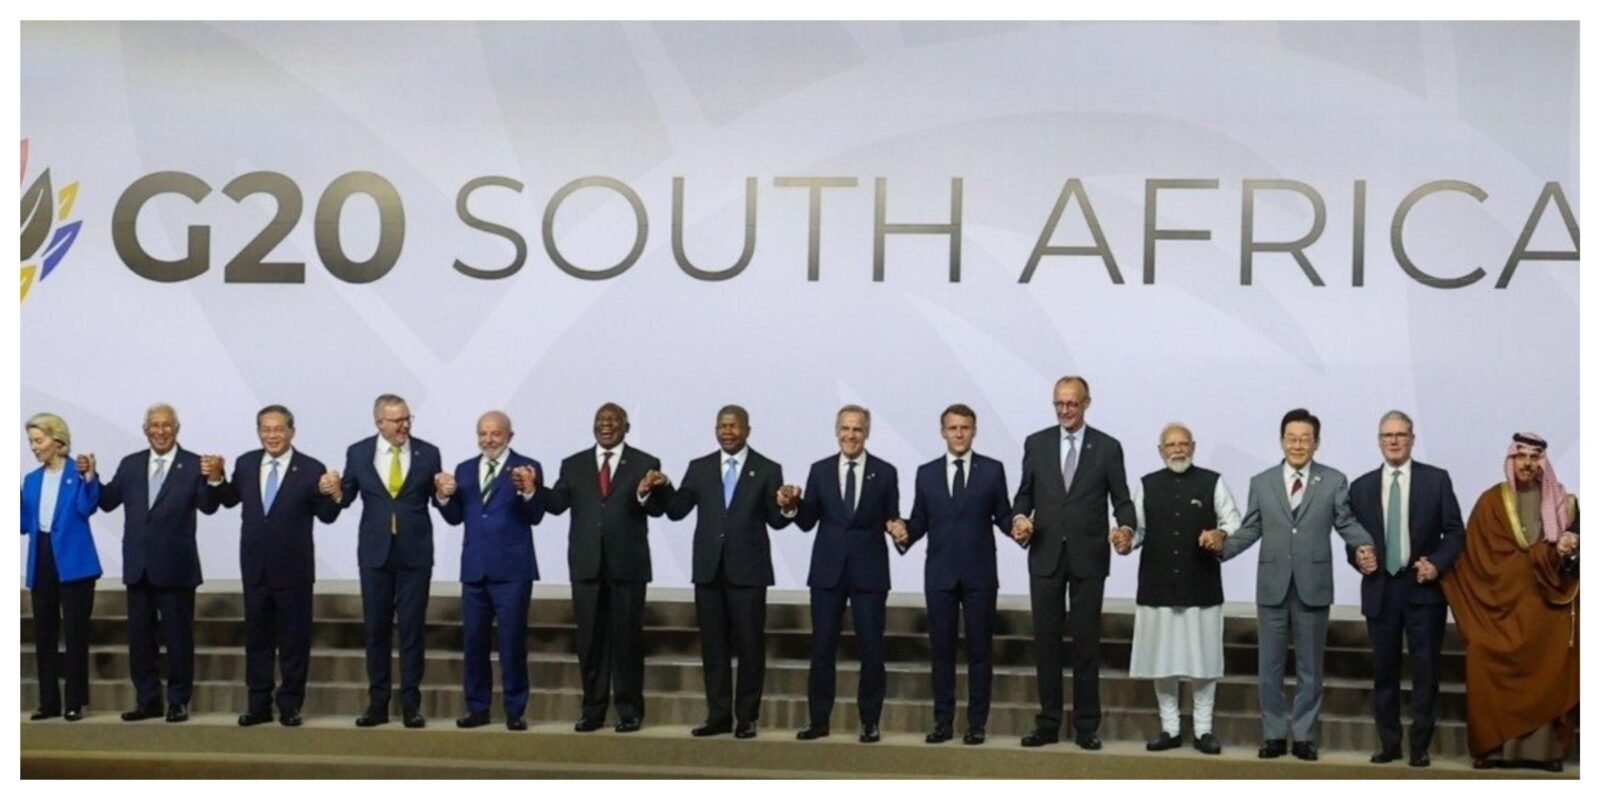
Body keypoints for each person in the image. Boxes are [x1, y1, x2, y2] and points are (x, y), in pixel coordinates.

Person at [1218, 408, 1376, 761]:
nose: (1298, 445)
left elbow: (1345, 522)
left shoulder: (1333, 480)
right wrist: (1220, 550)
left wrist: (1364, 544)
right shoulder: (1262, 482)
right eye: (1292, 438)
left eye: (1305, 439)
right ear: (1281, 441)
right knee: (1269, 668)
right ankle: (1274, 735)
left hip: (1313, 587)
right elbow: (1251, 528)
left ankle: (1304, 736)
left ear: (1316, 443)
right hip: (1272, 587)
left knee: (1310, 668)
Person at [1010, 376, 1135, 750]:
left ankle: (1086, 726)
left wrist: (1126, 528)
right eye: (1059, 404)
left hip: (1088, 558)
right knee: (1046, 644)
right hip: (1045, 555)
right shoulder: (1036, 443)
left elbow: (1122, 500)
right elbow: (1024, 494)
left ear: (1086, 403)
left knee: (1086, 645)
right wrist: (1020, 518)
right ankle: (1048, 723)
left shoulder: (1108, 447)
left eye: (1072, 404)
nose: (1065, 410)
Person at [1442, 432, 1579, 772]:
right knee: (1483, 655)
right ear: (1511, 459)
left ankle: (1545, 753)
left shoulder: (1565, 505)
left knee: (1551, 665)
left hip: (1546, 609)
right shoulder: (1491, 502)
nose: (1527, 464)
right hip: (1500, 608)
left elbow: (1573, 563)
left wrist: (1565, 551)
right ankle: (1493, 748)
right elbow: (1476, 557)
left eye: (1534, 458)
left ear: (1543, 463)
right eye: (1521, 457)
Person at [664, 405, 791, 739]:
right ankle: (718, 715)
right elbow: (676, 510)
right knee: (713, 648)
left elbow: (776, 520)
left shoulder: (767, 469)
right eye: (722, 426)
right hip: (709, 572)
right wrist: (661, 487)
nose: (728, 432)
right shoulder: (700, 467)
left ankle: (747, 717)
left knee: (750, 647)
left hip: (749, 573)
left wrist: (788, 506)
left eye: (734, 426)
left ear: (747, 430)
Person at [210, 405, 341, 728]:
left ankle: (290, 705)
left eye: (278, 429)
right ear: (258, 432)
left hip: (294, 572)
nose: (272, 436)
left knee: (294, 643)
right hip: (255, 568)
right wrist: (216, 479)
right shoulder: (246, 463)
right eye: (266, 429)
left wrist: (335, 493)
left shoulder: (310, 468)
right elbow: (229, 499)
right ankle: (258, 706)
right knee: (257, 641)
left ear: (291, 432)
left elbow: (326, 515)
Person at [542, 402, 669, 733]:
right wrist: (532, 490)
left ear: (626, 427)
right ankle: (592, 711)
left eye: (614, 420)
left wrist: (645, 494)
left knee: (627, 642)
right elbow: (556, 504)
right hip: (587, 568)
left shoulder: (645, 463)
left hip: (627, 568)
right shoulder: (573, 464)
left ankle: (629, 711)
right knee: (590, 643)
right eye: (601, 420)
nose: (606, 425)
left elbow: (658, 510)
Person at [1346, 411, 1463, 768]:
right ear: (1379, 441)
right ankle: (1390, 744)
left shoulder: (1436, 480)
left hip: (1423, 591)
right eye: (1387, 435)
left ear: (1412, 439)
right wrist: (1358, 556)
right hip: (1380, 591)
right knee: (1385, 672)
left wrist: (1437, 563)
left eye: (1401, 435)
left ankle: (1420, 746)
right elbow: (1353, 540)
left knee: (1426, 672)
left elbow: (1455, 532)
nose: (1394, 441)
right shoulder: (1361, 487)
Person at [1114, 422, 1240, 756]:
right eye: (1171, 445)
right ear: (1161, 451)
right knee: (1162, 661)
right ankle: (1169, 728)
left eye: (1183, 444)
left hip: (1202, 587)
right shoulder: (1147, 484)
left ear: (1193, 447)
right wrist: (1125, 540)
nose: (1178, 450)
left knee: (1205, 663)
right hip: (1158, 587)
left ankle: (1203, 730)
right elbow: (1137, 531)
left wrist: (1220, 535)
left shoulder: (1213, 482)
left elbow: (1233, 521)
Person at [779, 404, 902, 744]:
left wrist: (898, 530)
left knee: (872, 650)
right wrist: (791, 506)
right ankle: (818, 721)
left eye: (857, 429)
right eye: (845, 429)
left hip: (870, 573)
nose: (850, 435)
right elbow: (807, 521)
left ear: (867, 433)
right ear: (837, 432)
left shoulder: (885, 472)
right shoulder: (819, 470)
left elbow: (892, 517)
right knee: (822, 648)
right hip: (827, 573)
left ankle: (870, 722)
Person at [92, 403, 222, 723]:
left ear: (177, 429)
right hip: (138, 568)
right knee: (140, 641)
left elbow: (208, 506)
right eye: (154, 425)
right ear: (145, 430)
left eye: (166, 425)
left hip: (177, 569)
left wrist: (215, 479)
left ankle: (178, 701)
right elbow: (108, 501)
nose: (160, 431)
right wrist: (91, 477)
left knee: (178, 640)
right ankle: (147, 700)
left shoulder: (194, 464)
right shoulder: (131, 464)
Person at [890, 404, 1012, 746]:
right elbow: (919, 521)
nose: (959, 433)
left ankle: (977, 724)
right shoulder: (926, 473)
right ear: (943, 432)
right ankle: (942, 723)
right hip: (940, 575)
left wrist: (1021, 527)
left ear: (974, 431)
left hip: (980, 575)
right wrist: (903, 532)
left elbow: (1003, 515)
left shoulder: (992, 470)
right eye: (953, 428)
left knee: (980, 653)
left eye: (965, 427)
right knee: (941, 653)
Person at [321, 393, 443, 729]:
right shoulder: (359, 452)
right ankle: (377, 704)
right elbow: (345, 497)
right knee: (376, 630)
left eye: (407, 419)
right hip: (375, 553)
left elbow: (439, 500)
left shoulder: (428, 452)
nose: (404, 426)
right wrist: (334, 491)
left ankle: (411, 705)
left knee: (412, 631)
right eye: (397, 420)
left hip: (415, 553)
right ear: (379, 423)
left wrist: (444, 493)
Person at [434, 410, 545, 731]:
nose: (488, 440)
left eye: (495, 433)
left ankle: (515, 710)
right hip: (474, 569)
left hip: (513, 571)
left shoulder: (527, 467)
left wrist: (529, 490)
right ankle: (477, 708)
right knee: (474, 644)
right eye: (483, 434)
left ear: (510, 435)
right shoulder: (465, 469)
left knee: (512, 644)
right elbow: (456, 517)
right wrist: (443, 496)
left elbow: (535, 515)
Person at [22, 413, 102, 722]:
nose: (34, 447)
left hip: (75, 563)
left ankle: (74, 702)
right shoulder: (31, 480)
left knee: (75, 634)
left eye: (38, 440)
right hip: (42, 559)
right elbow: (21, 523)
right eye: (31, 441)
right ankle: (48, 702)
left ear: (57, 440)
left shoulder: (78, 473)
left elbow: (87, 506)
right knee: (44, 635)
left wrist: (91, 477)